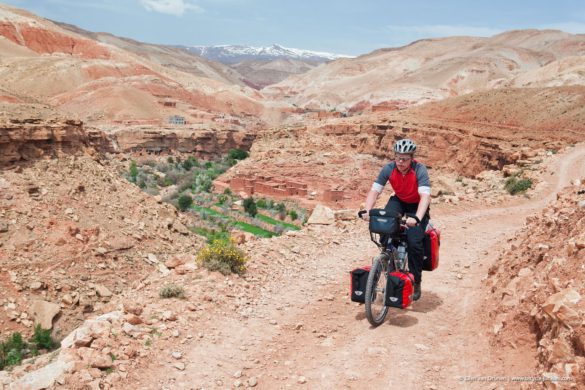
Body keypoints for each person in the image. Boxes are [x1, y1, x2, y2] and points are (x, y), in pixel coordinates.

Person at [361, 138, 431, 301]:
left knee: (415, 242)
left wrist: (418, 218)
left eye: (405, 158)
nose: (400, 161)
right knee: (384, 228)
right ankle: (387, 261)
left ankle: (416, 281)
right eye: (398, 157)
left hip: (416, 205)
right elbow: (375, 191)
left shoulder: (419, 169)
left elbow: (425, 196)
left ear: (411, 158)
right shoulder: (389, 168)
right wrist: (367, 210)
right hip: (399, 200)